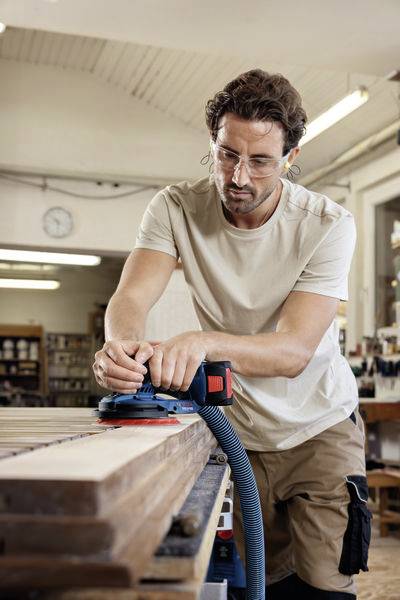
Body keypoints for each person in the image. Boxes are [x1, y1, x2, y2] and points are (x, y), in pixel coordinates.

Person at [92, 69, 370, 599]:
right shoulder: (175, 207)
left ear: (291, 159)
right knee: (253, 585)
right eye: (227, 154)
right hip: (236, 432)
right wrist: (122, 347)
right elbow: (130, 298)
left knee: (321, 590)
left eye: (261, 161)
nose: (239, 177)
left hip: (319, 428)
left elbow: (292, 352)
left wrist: (203, 341)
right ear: (212, 143)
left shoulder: (326, 224)